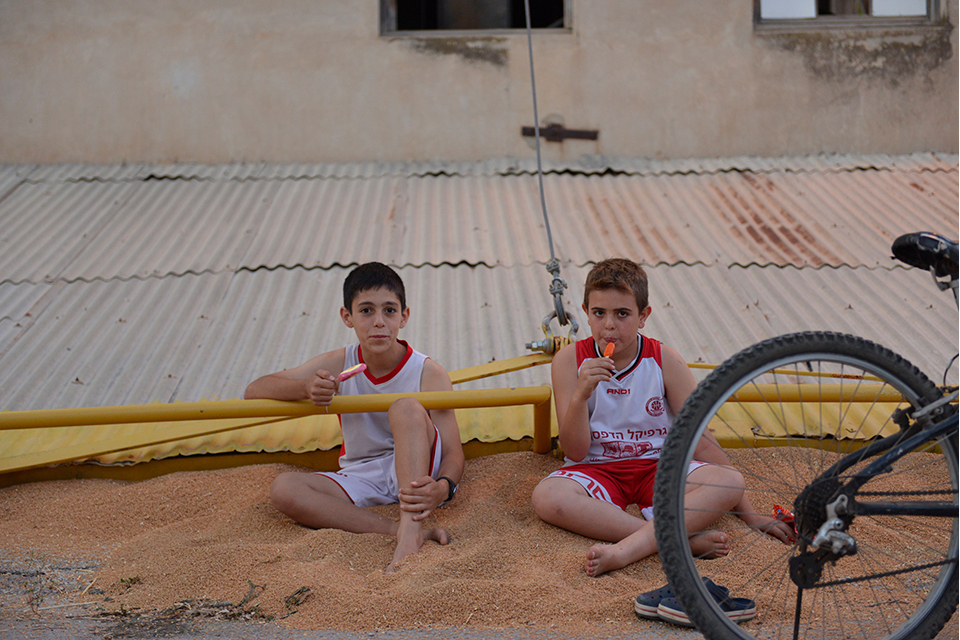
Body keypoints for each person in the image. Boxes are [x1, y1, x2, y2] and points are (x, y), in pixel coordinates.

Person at [531, 258, 793, 583]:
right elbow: (576, 450)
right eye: (599, 313)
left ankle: (626, 550)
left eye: (622, 314)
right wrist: (581, 394)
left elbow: (700, 438)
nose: (609, 325)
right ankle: (677, 540)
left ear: (644, 316)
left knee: (730, 480)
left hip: (658, 467)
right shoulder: (569, 360)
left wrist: (750, 515)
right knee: (548, 497)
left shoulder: (664, 359)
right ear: (585, 312)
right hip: (594, 468)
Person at [245, 262, 464, 573]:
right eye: (366, 311)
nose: (379, 322)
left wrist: (444, 487)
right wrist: (306, 388)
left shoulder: (428, 371)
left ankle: (411, 533)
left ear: (404, 316)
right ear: (347, 317)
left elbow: (454, 452)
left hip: (416, 473)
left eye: (389, 310)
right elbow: (255, 389)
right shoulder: (340, 361)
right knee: (284, 488)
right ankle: (396, 531)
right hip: (360, 474)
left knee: (404, 407)